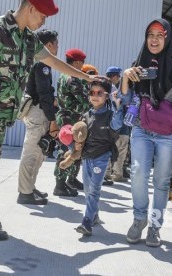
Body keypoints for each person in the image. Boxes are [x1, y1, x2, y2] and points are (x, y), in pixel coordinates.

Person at [0, 0, 103, 241]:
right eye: (43, 15)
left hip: (0, 117)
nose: (44, 21)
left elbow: (54, 62)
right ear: (30, 8)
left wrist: (86, 77)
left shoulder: (28, 39)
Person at [121, 19, 172, 247]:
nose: (154, 39)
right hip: (142, 128)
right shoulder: (137, 64)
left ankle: (155, 227)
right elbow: (126, 100)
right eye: (150, 34)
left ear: (167, 38)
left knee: (162, 181)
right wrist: (126, 77)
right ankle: (139, 219)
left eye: (160, 34)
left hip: (168, 132)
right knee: (137, 172)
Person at [17, 29, 60, 206]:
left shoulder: (36, 62)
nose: (57, 46)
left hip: (37, 110)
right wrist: (52, 120)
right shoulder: (42, 64)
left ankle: (29, 187)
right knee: (32, 152)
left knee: (38, 153)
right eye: (56, 43)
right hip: (38, 111)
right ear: (48, 45)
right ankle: (24, 193)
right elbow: (44, 94)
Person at [75, 80, 123, 236]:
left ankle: (86, 221)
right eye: (92, 93)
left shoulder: (110, 115)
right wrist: (74, 148)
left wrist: (117, 105)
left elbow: (117, 125)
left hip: (102, 157)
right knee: (87, 189)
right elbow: (79, 135)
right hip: (86, 157)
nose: (95, 96)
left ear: (107, 96)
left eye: (99, 93)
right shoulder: (86, 115)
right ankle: (94, 215)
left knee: (94, 189)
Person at [53, 48, 89, 196]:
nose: (82, 66)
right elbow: (85, 101)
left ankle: (71, 179)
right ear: (77, 62)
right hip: (70, 120)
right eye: (82, 63)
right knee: (66, 151)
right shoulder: (73, 78)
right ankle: (60, 185)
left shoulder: (63, 75)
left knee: (77, 149)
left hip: (70, 118)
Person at [104, 66, 131, 183]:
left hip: (109, 124)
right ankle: (117, 174)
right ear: (115, 76)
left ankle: (108, 173)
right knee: (121, 149)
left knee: (110, 148)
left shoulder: (104, 87)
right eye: (118, 76)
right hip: (122, 124)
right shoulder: (121, 88)